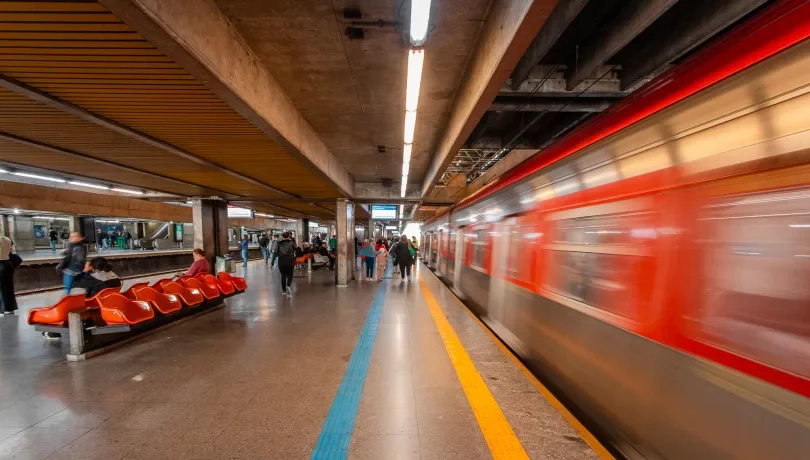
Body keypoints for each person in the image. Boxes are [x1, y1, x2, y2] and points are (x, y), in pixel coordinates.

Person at [0, 236, 18, 315]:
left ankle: (1, 309)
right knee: (8, 287)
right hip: (8, 264)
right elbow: (12, 251)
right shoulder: (7, 239)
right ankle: (10, 308)